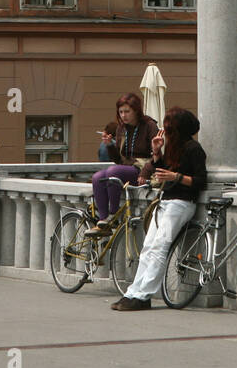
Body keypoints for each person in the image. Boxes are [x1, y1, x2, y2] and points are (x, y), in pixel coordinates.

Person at [111, 106, 208, 311]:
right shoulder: (174, 147)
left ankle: (144, 294)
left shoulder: (194, 149)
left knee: (159, 247)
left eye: (169, 127)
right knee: (148, 247)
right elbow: (164, 168)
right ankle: (134, 291)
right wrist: (156, 154)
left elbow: (201, 181)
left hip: (181, 203)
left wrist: (176, 177)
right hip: (166, 200)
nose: (166, 131)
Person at [89, 94, 158, 233]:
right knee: (97, 177)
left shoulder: (149, 125)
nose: (124, 115)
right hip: (126, 168)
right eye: (121, 112)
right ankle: (103, 220)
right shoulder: (121, 129)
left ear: (136, 111)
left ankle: (113, 214)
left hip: (142, 169)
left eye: (127, 111)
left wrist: (145, 171)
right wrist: (109, 145)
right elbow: (119, 160)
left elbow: (157, 155)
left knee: (112, 172)